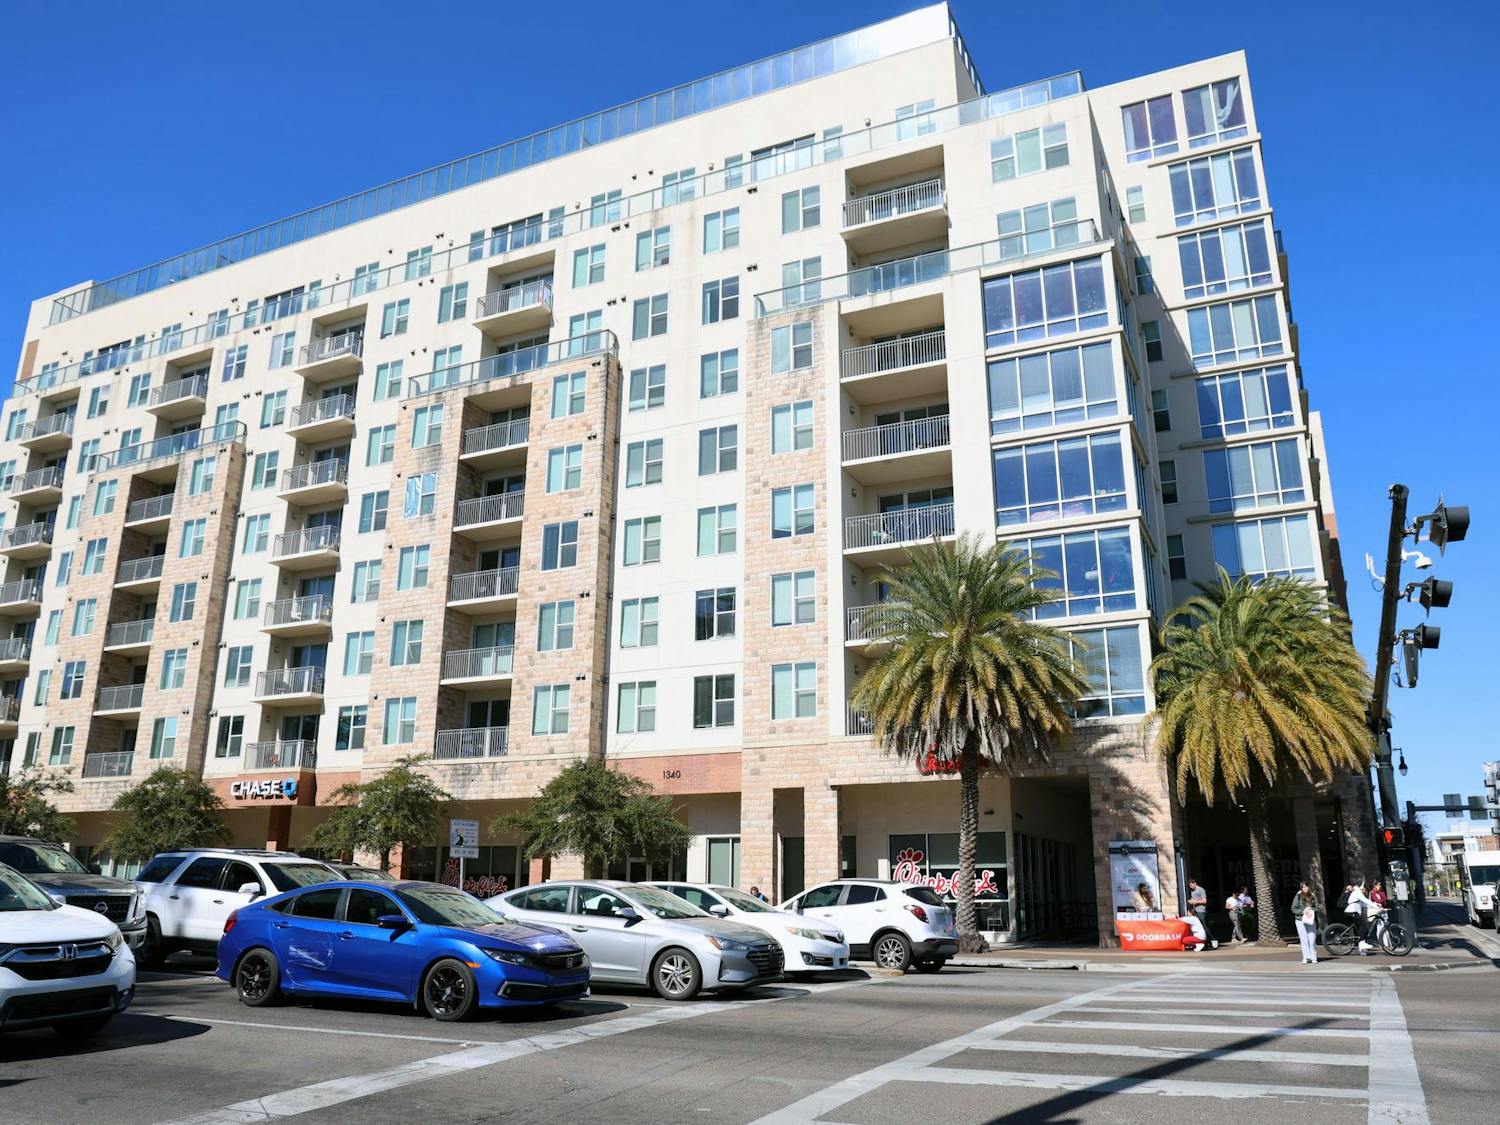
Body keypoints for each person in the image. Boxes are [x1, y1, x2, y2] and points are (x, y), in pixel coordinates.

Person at [1345, 878, 1378, 954]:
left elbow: (1365, 904)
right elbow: (1365, 900)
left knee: (1359, 930)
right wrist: (1375, 906)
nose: (1365, 892)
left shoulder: (1357, 893)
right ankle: (1361, 943)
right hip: (1352, 911)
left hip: (1351, 912)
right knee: (1364, 926)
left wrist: (1376, 905)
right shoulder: (1357, 892)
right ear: (1362, 888)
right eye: (1365, 890)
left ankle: (1360, 948)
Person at [1290, 882, 1320, 964]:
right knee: (1303, 939)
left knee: (1312, 939)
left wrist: (1311, 909)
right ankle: (1306, 957)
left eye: (1306, 886)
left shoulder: (1312, 895)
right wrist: (1302, 912)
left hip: (1311, 920)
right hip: (1300, 920)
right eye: (1303, 887)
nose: (1305, 888)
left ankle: (1313, 957)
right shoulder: (1298, 896)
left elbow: (1318, 907)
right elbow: (1293, 908)